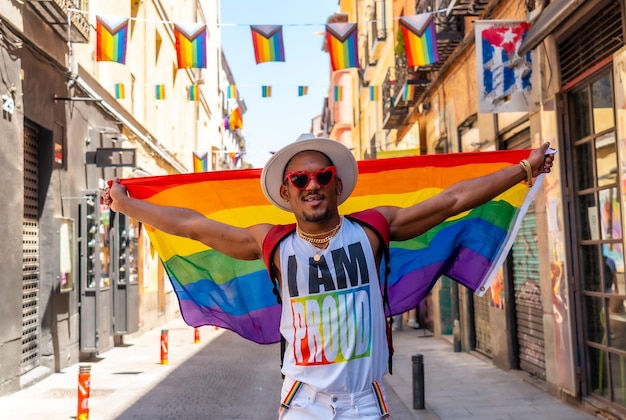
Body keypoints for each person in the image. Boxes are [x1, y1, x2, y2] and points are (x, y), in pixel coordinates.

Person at [105, 134, 554, 419]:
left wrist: (524, 169)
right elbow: (190, 224)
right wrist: (126, 205)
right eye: (299, 180)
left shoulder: (374, 229)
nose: (312, 184)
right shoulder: (274, 245)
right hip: (303, 405)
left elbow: (451, 201)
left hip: (365, 402)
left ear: (337, 185)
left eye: (321, 176)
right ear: (287, 193)